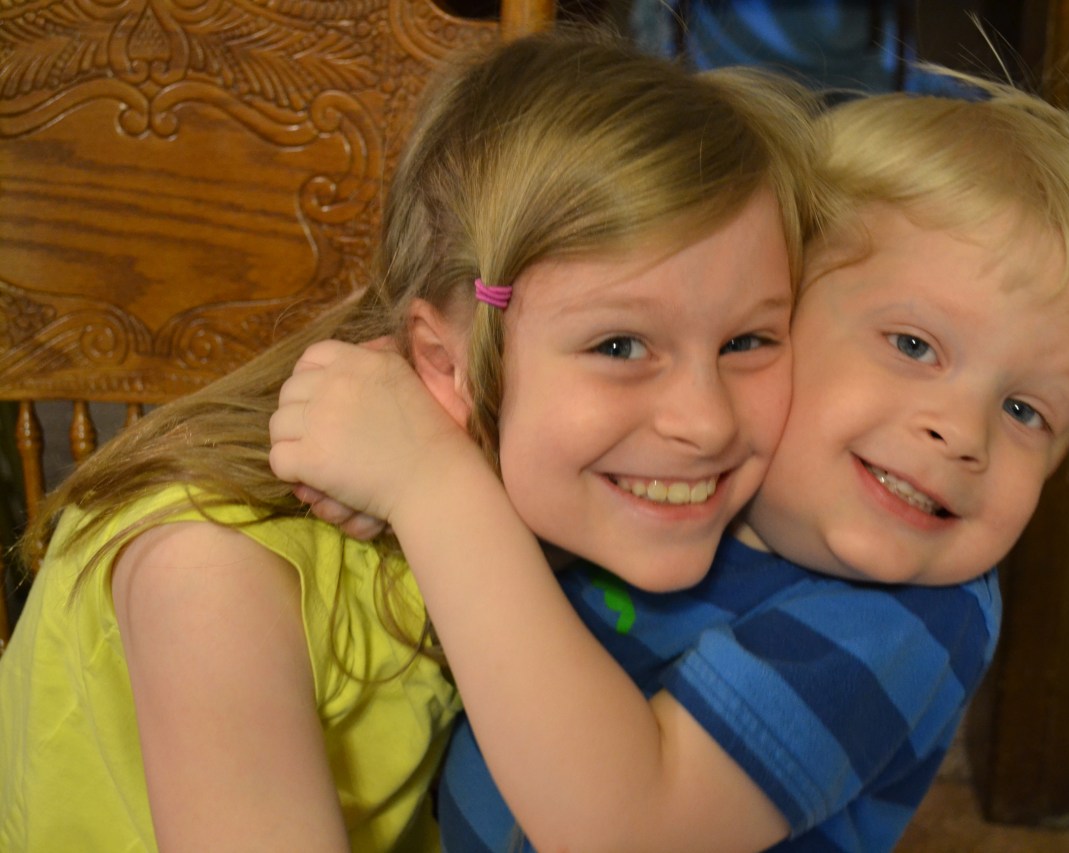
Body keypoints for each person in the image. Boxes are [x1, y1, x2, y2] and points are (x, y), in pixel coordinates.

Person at [269, 74, 1069, 851]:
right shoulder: (694, 480)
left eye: (1026, 411)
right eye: (913, 345)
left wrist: (431, 484)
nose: (964, 433)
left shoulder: (906, 623)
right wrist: (416, 424)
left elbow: (630, 826)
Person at [0, 31, 827, 852]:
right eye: (619, 346)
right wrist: (436, 486)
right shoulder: (211, 572)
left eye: (747, 340)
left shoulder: (564, 511)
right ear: (441, 362)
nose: (706, 421)